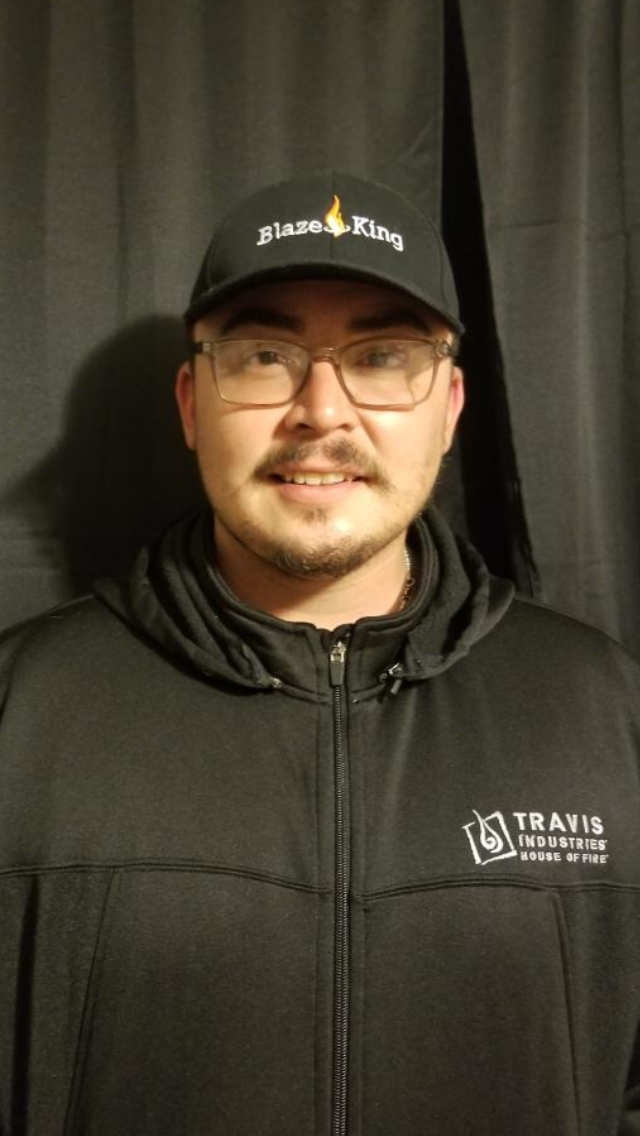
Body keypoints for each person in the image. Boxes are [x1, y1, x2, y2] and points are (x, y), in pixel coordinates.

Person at [1, 171, 639, 1136]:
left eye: (382, 357)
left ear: (451, 405)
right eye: (265, 355)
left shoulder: (605, 713)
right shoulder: (23, 712)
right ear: (191, 403)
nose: (322, 411)